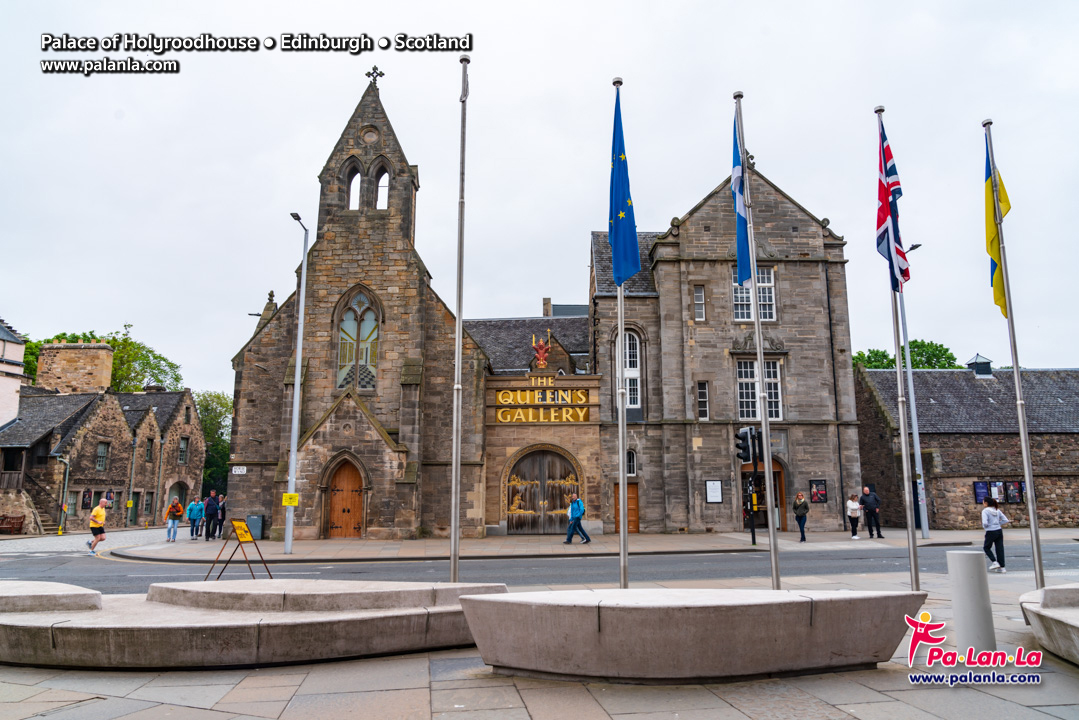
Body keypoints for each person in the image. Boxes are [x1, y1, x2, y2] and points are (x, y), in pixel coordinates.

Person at [982, 497, 1010, 573]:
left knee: (986, 547)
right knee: (999, 548)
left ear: (986, 503)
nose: (983, 503)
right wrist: (997, 524)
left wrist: (986, 527)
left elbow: (985, 523)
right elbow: (1005, 520)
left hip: (990, 531)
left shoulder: (985, 511)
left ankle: (994, 562)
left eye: (983, 501)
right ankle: (1002, 567)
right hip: (999, 530)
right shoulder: (997, 510)